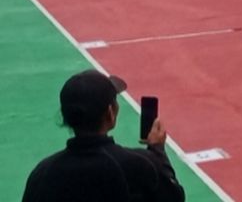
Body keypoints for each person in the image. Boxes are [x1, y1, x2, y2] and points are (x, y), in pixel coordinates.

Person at [22, 70, 184, 202]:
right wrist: (157, 151)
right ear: (110, 113)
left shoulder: (43, 174)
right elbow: (174, 197)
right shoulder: (140, 165)